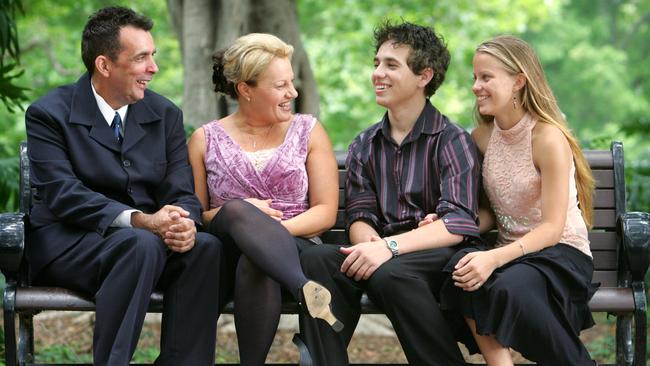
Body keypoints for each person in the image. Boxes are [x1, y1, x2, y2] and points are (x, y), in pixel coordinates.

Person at [25, 7, 225, 366]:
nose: (154, 68)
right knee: (139, 243)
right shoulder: (48, 113)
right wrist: (141, 220)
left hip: (145, 244)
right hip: (72, 243)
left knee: (205, 248)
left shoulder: (165, 115)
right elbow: (63, 194)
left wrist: (183, 223)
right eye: (142, 58)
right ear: (104, 65)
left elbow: (181, 189)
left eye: (153, 56)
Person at [298, 21, 481, 365]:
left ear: (424, 76)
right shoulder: (364, 144)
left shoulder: (451, 140)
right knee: (317, 259)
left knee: (391, 272)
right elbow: (360, 214)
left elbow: (457, 223)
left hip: (433, 254)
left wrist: (388, 248)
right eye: (377, 63)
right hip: (380, 253)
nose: (378, 73)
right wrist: (370, 246)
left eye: (391, 65)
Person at [439, 35, 597, 365]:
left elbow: (553, 228)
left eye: (486, 77)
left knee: (508, 287)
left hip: (560, 253)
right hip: (514, 255)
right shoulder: (482, 137)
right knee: (460, 271)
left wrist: (494, 259)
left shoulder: (547, 137)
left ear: (518, 82)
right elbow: (489, 214)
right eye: (474, 78)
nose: (475, 87)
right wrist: (447, 221)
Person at [187, 33, 342, 365]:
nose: (293, 93)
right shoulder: (204, 139)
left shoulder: (308, 130)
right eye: (280, 86)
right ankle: (304, 288)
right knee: (238, 211)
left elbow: (327, 211)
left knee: (256, 258)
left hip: (297, 246)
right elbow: (198, 215)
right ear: (245, 89)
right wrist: (246, 218)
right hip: (226, 256)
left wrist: (265, 235)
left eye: (292, 83)